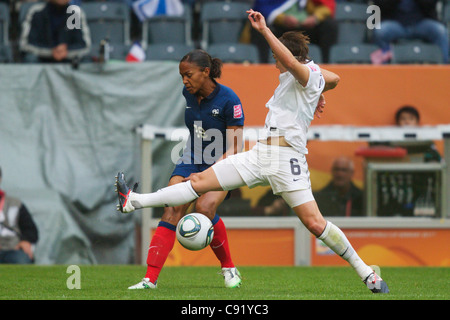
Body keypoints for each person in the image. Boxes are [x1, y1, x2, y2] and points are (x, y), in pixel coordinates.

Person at [116, 9, 389, 293]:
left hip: (287, 161)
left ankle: (368, 274)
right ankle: (133, 201)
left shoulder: (301, 72)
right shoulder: (309, 77)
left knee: (315, 223)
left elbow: (304, 69)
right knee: (197, 183)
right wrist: (320, 92)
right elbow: (334, 79)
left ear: (289, 58)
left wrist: (264, 30)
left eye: (276, 59)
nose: (275, 65)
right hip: (261, 155)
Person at [125, 49, 245, 289]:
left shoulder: (230, 100)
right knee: (173, 208)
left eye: (188, 75)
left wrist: (206, 175)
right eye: (181, 76)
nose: (184, 81)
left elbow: (236, 148)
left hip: (220, 163)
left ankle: (228, 267)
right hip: (191, 156)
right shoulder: (187, 94)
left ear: (206, 72)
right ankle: (149, 280)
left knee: (204, 207)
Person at [251, 0, 338, 63]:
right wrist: (281, 19)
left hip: (306, 25)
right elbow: (261, 7)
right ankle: (263, 65)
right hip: (279, 26)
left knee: (329, 26)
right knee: (260, 29)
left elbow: (326, 5)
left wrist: (315, 17)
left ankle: (327, 65)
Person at [370, 0, 449, 64]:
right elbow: (380, 4)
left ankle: (445, 70)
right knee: (380, 31)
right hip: (395, 23)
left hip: (421, 23)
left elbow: (430, 4)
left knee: (440, 31)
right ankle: (383, 70)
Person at [19, 0, 91, 63]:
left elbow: (85, 46)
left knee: (86, 60)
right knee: (30, 58)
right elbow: (25, 44)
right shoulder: (36, 11)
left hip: (69, 60)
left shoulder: (75, 13)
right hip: (42, 60)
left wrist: (66, 51)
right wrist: (51, 52)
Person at [0, 166, 39, 264]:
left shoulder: (15, 204)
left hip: (13, 249)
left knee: (20, 261)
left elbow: (31, 230)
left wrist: (25, 241)